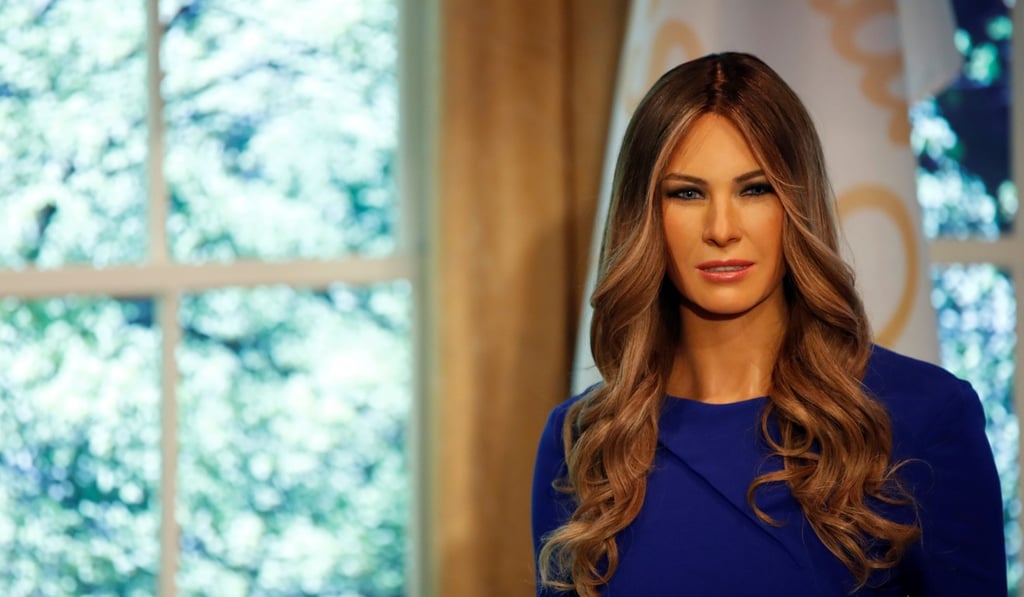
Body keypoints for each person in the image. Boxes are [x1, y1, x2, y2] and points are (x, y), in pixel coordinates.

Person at [531, 52, 1006, 596]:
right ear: (645, 215)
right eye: (687, 193)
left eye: (754, 189)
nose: (721, 228)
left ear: (796, 203)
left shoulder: (923, 418)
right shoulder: (583, 443)